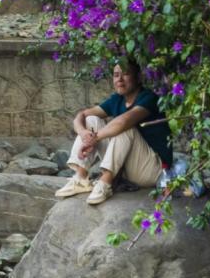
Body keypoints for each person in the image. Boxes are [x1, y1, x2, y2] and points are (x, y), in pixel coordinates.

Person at [54, 60, 173, 205]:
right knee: (92, 119)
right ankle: (80, 178)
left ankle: (105, 183)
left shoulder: (149, 97)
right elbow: (82, 115)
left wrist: (94, 139)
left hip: (152, 169)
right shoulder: (117, 99)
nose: (120, 79)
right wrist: (84, 133)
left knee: (125, 127)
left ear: (138, 77)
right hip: (126, 167)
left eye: (126, 74)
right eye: (116, 75)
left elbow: (123, 122)